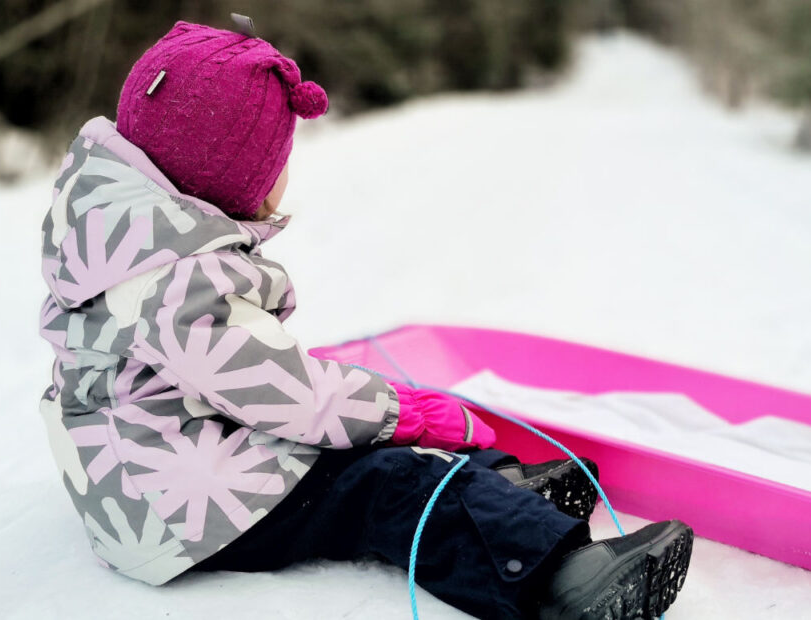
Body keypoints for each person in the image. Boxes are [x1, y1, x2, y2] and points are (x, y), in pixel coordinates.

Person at [37, 20, 693, 620]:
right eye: (277, 158)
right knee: (388, 485)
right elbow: (288, 396)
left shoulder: (120, 239)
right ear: (229, 175)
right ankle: (558, 577)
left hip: (154, 480)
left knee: (354, 440)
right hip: (191, 510)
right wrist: (402, 412)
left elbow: (237, 381)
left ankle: (504, 492)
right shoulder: (176, 277)